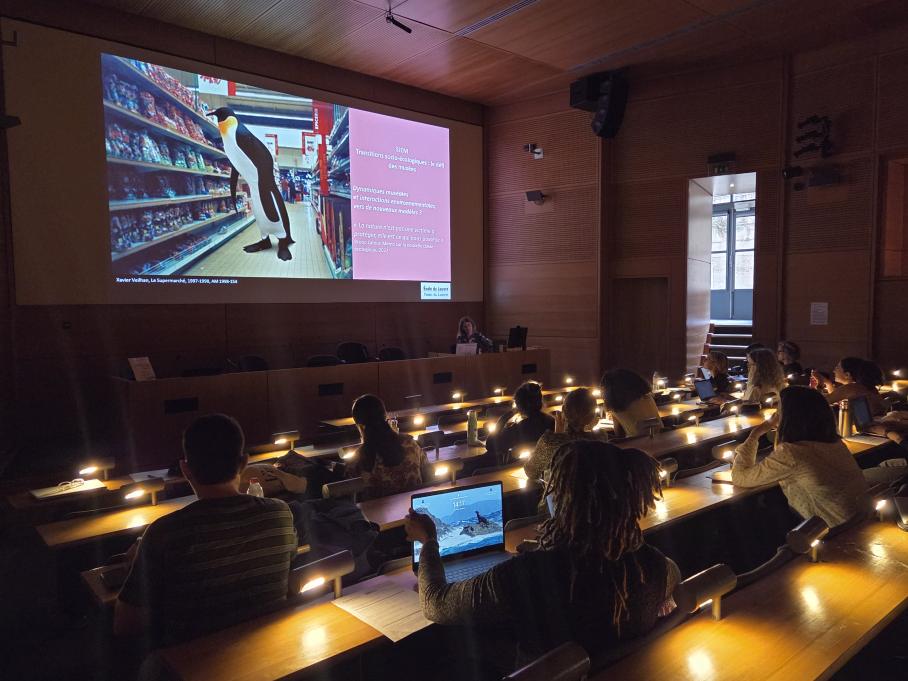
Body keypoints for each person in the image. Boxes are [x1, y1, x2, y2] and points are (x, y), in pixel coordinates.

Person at [405, 440, 680, 670]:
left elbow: (435, 604)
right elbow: (673, 572)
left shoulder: (529, 573)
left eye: (553, 486)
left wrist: (429, 542)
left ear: (562, 499)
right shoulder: (652, 564)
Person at [114, 414, 298, 646]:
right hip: (270, 649)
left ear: (185, 469)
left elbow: (126, 624)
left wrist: (136, 566)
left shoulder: (164, 532)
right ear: (244, 463)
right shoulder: (280, 513)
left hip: (191, 662)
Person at [731, 386, 867, 527]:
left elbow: (740, 478)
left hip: (836, 531)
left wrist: (756, 433)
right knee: (773, 499)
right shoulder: (834, 442)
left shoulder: (792, 453)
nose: (776, 415)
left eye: (779, 411)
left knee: (748, 513)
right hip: (860, 520)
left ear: (789, 417)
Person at [348, 394, 428, 499]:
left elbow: (352, 491)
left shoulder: (358, 458)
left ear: (359, 425)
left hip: (376, 514)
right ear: (385, 416)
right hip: (412, 510)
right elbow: (426, 470)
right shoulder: (410, 444)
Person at [525, 387, 606, 481]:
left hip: (560, 495)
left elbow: (530, 472)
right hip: (596, 495)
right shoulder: (601, 438)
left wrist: (557, 436)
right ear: (593, 415)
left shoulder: (550, 442)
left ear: (563, 410)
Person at [487, 381, 555, 463]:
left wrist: (503, 419)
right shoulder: (553, 422)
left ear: (519, 406)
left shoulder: (520, 428)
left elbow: (491, 445)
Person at [813, 357, 887, 416]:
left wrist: (819, 384)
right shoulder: (863, 387)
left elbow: (820, 402)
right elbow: (838, 397)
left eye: (837, 368)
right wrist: (828, 383)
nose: (834, 371)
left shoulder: (852, 388)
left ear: (847, 375)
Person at [601, 368, 661, 437]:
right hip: (661, 438)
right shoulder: (647, 397)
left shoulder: (616, 404)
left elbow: (619, 434)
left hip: (637, 443)